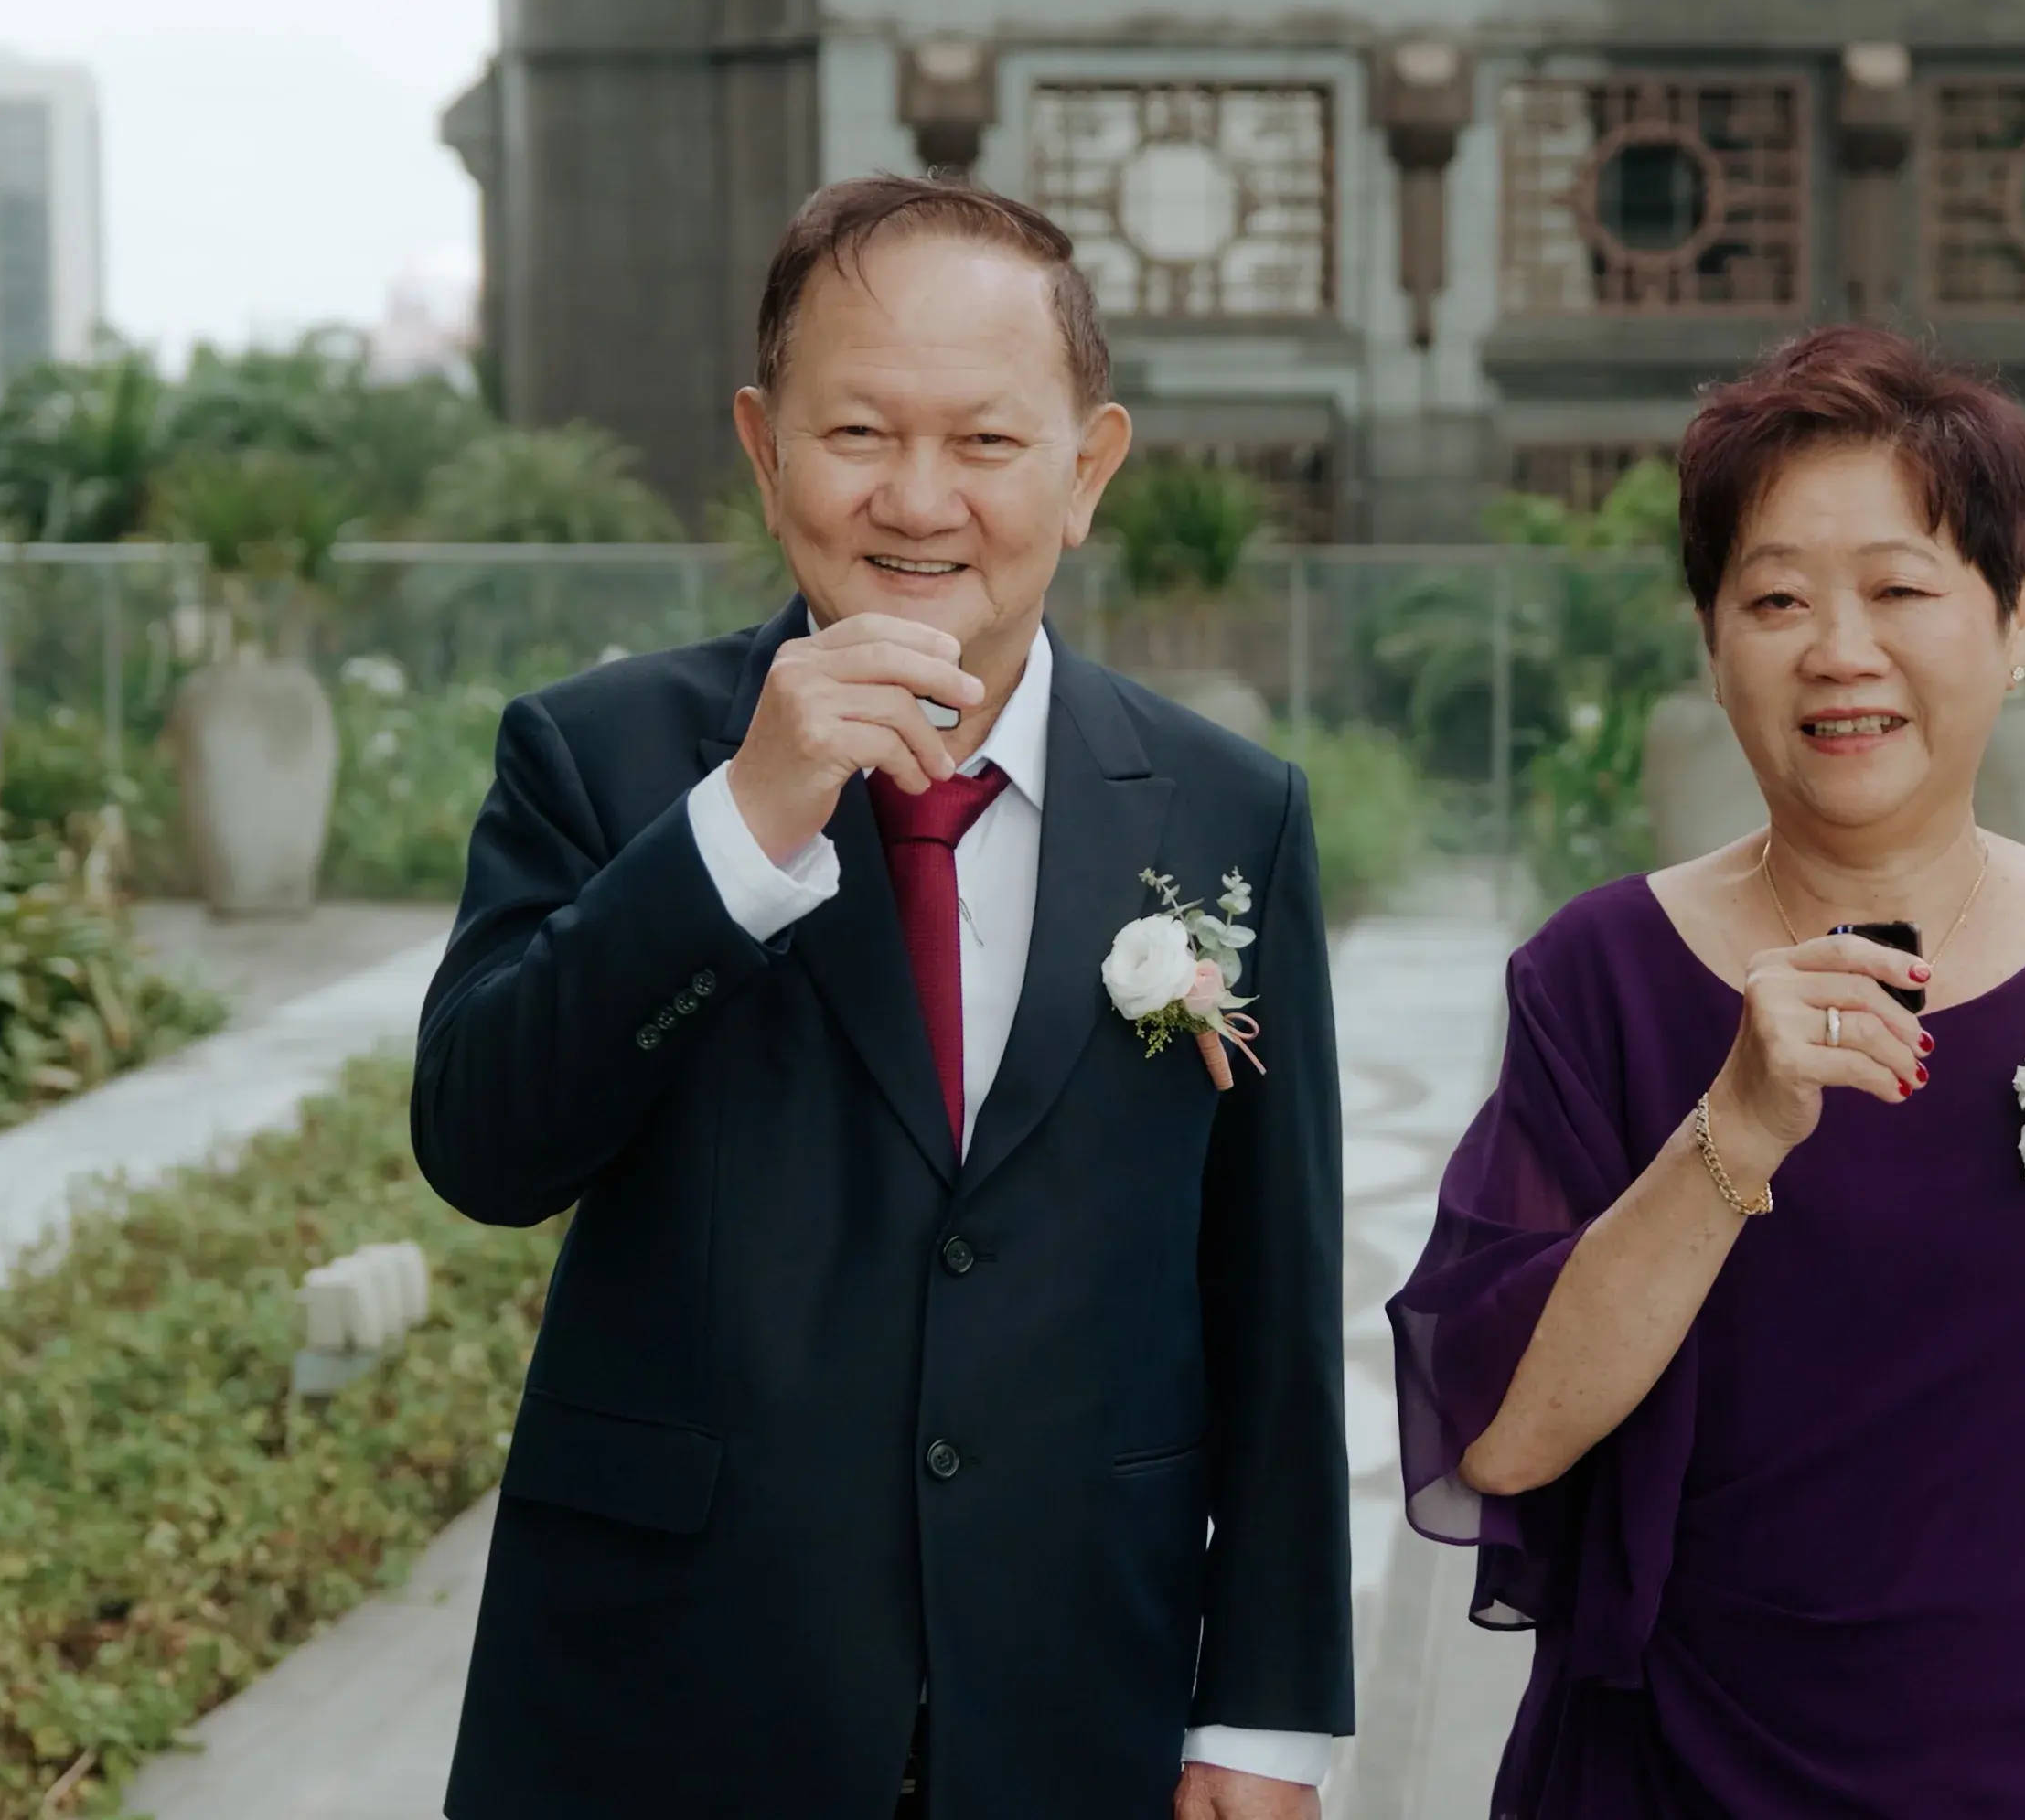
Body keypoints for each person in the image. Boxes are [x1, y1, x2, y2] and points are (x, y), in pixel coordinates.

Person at [412, 175, 1353, 1819]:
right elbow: (485, 1148)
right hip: (668, 1705)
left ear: (1088, 471)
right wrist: (746, 822)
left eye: (986, 443)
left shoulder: (1227, 810)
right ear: (767, 449)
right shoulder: (606, 755)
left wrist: (1264, 1712)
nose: (919, 502)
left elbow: (1272, 1285)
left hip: (1078, 1697)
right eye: (858, 435)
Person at [1385, 326, 2025, 1818]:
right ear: (1712, 642)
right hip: (1682, 1776)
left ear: (2018, 617)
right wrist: (1733, 1128)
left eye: (1902, 590)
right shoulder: (1597, 978)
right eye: (1775, 597)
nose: (1838, 651)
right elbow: (1506, 1436)